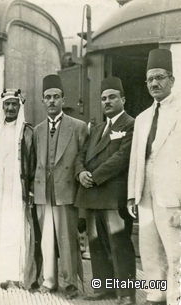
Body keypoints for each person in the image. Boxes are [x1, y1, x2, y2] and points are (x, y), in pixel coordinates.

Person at [75, 77, 136, 305]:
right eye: (103, 98)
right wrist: (80, 172)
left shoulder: (130, 124)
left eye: (112, 97)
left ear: (123, 99)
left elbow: (122, 157)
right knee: (96, 244)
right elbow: (81, 154)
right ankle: (105, 289)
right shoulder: (97, 128)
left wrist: (95, 176)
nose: (107, 102)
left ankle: (127, 294)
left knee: (119, 244)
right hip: (92, 195)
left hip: (113, 196)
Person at [128, 48, 181, 305]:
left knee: (175, 252)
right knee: (148, 248)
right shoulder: (142, 118)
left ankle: (176, 298)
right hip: (145, 191)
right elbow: (135, 159)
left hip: (172, 194)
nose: (154, 83)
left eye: (160, 77)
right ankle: (155, 294)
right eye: (150, 79)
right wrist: (132, 195)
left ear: (172, 79)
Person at [0, 89, 38, 290]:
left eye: (14, 104)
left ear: (20, 107)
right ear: (2, 107)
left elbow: (33, 163)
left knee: (15, 229)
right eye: (7, 104)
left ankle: (14, 277)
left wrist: (30, 191)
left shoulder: (28, 132)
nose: (10, 108)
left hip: (17, 189)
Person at [33, 74, 88, 299]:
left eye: (56, 96)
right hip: (43, 193)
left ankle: (69, 284)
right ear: (43, 101)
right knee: (46, 239)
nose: (52, 101)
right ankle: (49, 281)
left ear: (63, 100)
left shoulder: (78, 127)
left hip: (67, 192)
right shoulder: (37, 130)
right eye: (48, 97)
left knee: (67, 240)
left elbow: (83, 159)